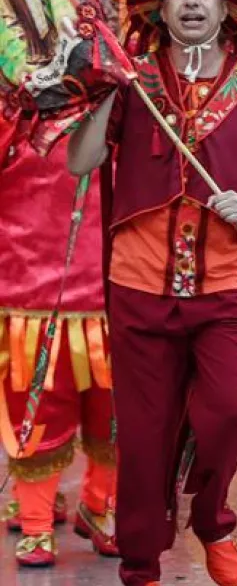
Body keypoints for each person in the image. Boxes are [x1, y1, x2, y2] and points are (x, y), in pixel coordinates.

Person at [66, 0, 237, 586]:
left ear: (225, 11)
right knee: (143, 435)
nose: (193, 2)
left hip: (223, 282)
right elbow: (80, 162)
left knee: (228, 410)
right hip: (138, 284)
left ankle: (212, 519)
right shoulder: (134, 83)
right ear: (160, 10)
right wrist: (104, 93)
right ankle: (140, 562)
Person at [0, 111, 117, 568]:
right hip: (29, 286)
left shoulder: (125, 93)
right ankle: (36, 523)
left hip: (115, 284)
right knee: (37, 411)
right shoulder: (13, 105)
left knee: (116, 411)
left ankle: (101, 506)